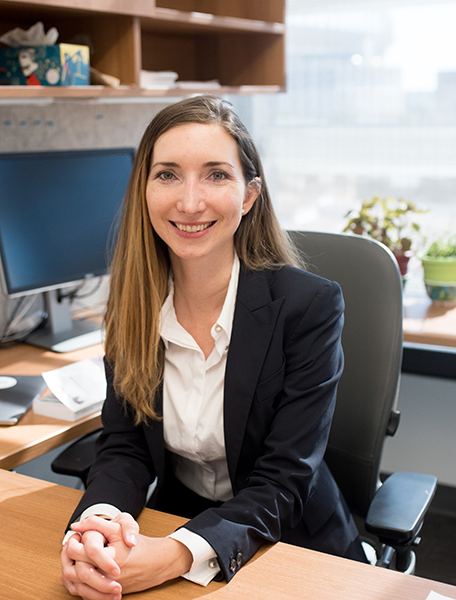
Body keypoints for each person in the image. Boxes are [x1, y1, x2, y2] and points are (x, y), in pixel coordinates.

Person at [60, 95, 365, 600]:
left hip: (292, 547)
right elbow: (124, 446)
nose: (190, 201)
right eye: (168, 175)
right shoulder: (133, 304)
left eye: (216, 175)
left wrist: (176, 554)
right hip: (175, 520)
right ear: (144, 190)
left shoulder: (308, 307)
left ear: (249, 195)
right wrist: (97, 529)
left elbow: (284, 481)